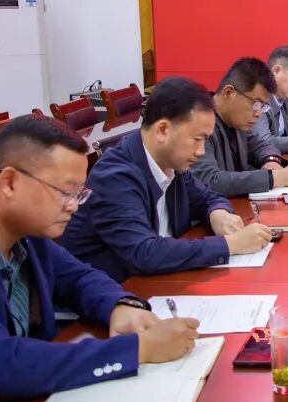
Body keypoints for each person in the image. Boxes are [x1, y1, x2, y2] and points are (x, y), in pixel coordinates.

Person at [0, 115, 200, 402]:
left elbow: (78, 276)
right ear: (9, 182)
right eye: (66, 192)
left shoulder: (22, 227)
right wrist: (139, 349)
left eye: (79, 194)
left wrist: (119, 306)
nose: (74, 207)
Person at [61, 77, 273, 282]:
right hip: (118, 293)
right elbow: (144, 253)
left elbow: (208, 196)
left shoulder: (172, 164)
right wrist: (230, 244)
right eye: (197, 139)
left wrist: (218, 213)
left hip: (164, 281)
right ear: (162, 130)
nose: (201, 151)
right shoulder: (114, 177)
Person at [190, 57, 288, 197]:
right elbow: (209, 181)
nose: (258, 113)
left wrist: (271, 161)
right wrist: (276, 178)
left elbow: (261, 145)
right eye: (256, 104)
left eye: (263, 107)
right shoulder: (199, 123)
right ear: (229, 93)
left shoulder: (237, 121)